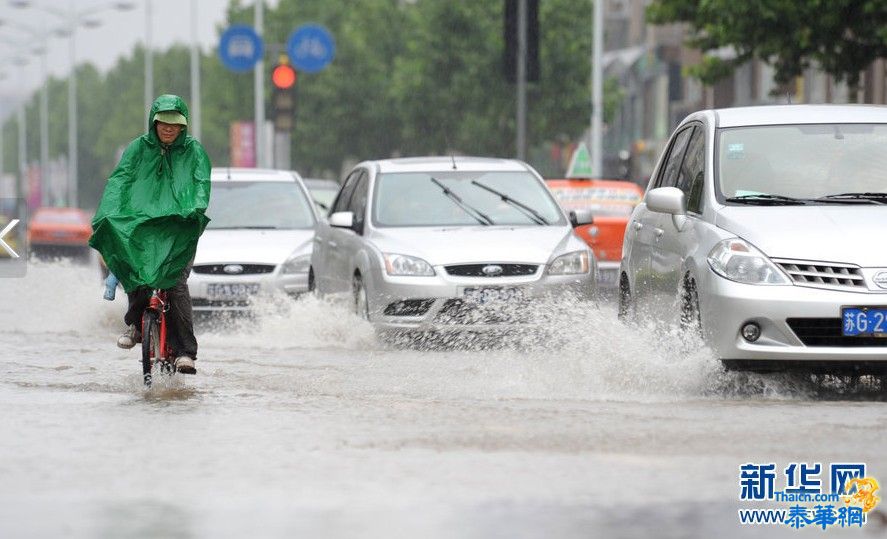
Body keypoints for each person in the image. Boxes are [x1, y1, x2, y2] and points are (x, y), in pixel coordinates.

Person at [89, 94, 211, 374]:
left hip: (178, 227)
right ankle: (136, 325)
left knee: (177, 285)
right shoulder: (136, 149)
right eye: (163, 123)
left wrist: (194, 208)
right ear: (153, 123)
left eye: (174, 124)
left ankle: (185, 353)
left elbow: (201, 183)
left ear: (183, 126)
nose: (168, 129)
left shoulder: (195, 152)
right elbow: (120, 181)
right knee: (137, 274)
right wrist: (109, 211)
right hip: (142, 225)